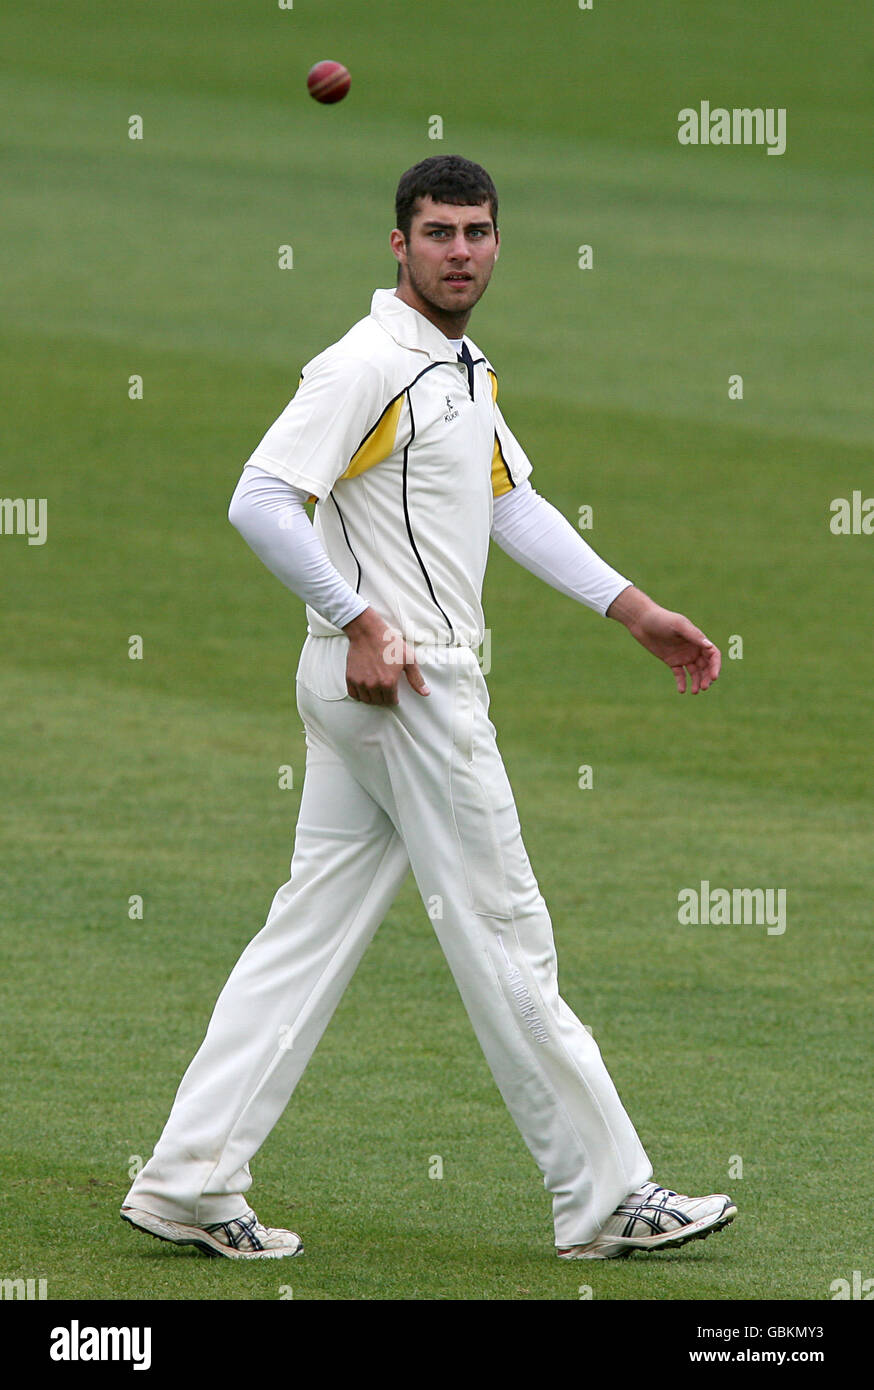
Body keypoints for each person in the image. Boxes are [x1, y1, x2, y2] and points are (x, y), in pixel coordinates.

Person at [121, 155, 736, 1262]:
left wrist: (631, 609)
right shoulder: (368, 364)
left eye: (478, 232)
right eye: (439, 232)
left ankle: (187, 1176)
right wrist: (358, 616)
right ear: (396, 246)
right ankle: (608, 1196)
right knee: (507, 931)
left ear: (498, 244)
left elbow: (511, 501)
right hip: (408, 684)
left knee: (304, 934)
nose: (461, 250)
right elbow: (260, 499)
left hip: (369, 687)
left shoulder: (458, 368)